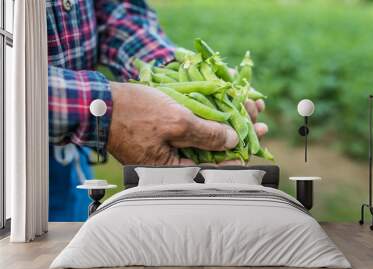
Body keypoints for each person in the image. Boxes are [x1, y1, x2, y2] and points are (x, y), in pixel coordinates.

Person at [47, 0, 267, 221]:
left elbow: (113, 7)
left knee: (71, 233)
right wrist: (109, 108)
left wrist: (167, 67)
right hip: (16, 164)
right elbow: (11, 77)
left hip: (72, 159)